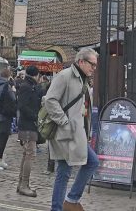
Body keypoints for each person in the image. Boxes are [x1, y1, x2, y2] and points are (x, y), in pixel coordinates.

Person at [45, 47, 99, 211]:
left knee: (91, 162)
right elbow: (50, 100)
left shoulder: (83, 79)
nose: (94, 68)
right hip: (65, 133)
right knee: (64, 172)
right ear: (81, 61)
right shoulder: (65, 76)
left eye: (95, 65)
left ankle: (71, 200)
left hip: (77, 133)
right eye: (92, 64)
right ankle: (60, 206)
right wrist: (64, 122)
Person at [16, 65, 43, 197]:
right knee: (30, 155)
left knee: (26, 154)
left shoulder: (29, 86)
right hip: (28, 125)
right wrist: (35, 117)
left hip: (28, 125)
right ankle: (24, 185)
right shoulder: (27, 87)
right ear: (36, 75)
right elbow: (22, 106)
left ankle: (21, 183)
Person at [0, 67, 17, 172]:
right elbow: (13, 99)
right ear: (9, 76)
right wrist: (14, 90)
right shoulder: (7, 87)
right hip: (4, 116)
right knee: (1, 140)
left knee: (3, 139)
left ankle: (0, 160)